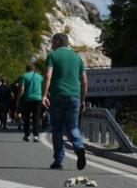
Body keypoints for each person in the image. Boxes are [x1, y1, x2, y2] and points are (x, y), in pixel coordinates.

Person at [43, 32, 88, 170]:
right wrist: (83, 99)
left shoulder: (52, 55)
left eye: (52, 41)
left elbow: (48, 75)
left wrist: (44, 95)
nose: (51, 44)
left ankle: (58, 161)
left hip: (57, 96)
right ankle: (79, 147)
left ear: (57, 42)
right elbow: (85, 81)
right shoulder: (77, 58)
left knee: (57, 129)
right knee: (73, 127)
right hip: (74, 97)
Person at [16, 63, 44, 142]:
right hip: (38, 99)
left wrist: (18, 100)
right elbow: (43, 87)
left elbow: (22, 89)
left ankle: (27, 135)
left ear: (26, 69)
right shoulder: (40, 77)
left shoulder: (24, 76)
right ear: (34, 69)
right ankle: (35, 136)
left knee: (26, 118)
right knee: (36, 118)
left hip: (27, 99)